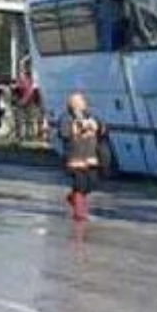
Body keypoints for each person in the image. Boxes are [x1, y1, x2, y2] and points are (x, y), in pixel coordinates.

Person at [62, 92, 103, 222]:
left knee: (91, 183)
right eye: (75, 102)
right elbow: (64, 133)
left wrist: (96, 126)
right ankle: (80, 213)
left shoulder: (91, 116)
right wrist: (77, 128)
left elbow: (102, 129)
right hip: (75, 157)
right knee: (80, 184)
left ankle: (73, 197)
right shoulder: (66, 118)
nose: (79, 104)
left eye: (81, 101)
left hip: (91, 156)